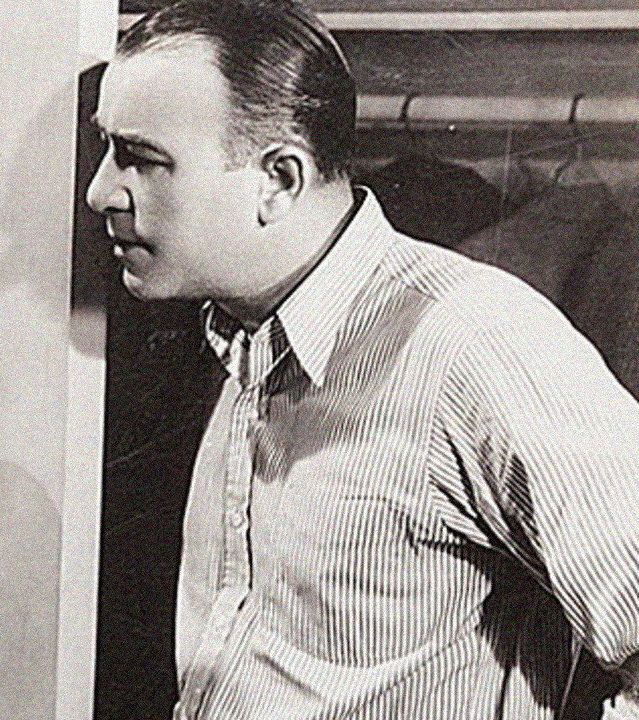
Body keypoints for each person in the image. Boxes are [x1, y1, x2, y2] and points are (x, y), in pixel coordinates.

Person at [85, 1, 639, 718]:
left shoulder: (475, 346)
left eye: (141, 158)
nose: (101, 191)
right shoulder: (241, 337)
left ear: (279, 180)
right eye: (108, 149)